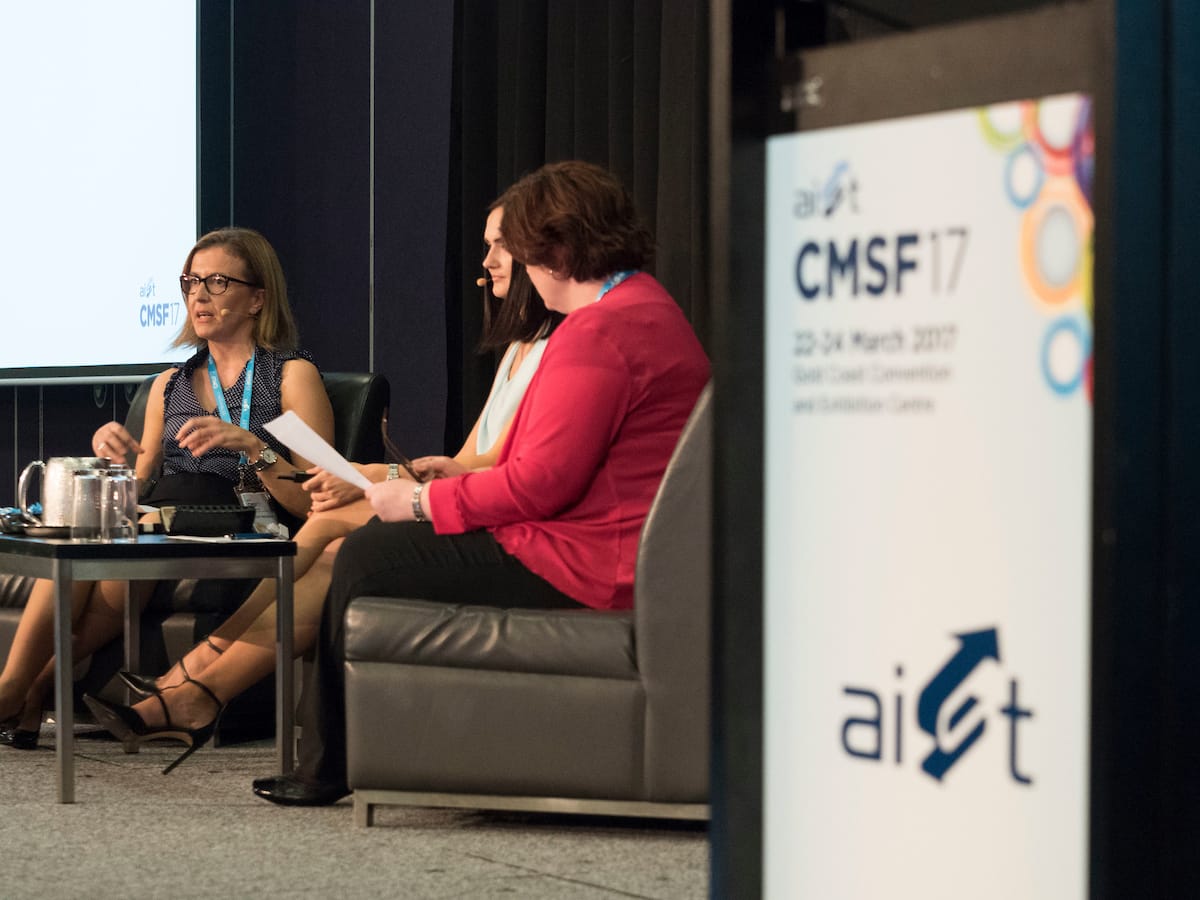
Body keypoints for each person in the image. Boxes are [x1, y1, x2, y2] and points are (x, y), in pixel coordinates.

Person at [251, 160, 711, 806]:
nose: (513, 266)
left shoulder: (597, 333)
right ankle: (340, 757)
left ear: (556, 249)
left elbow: (541, 487)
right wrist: (456, 476)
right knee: (370, 546)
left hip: (586, 557)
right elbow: (563, 460)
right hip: (616, 544)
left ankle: (326, 768)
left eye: (518, 248)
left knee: (365, 555)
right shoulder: (645, 307)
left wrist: (418, 500)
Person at [82, 208, 560, 769]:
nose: (487, 261)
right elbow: (467, 457)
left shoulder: (288, 371)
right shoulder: (518, 348)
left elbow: (501, 464)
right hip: (459, 493)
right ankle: (178, 688)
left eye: (500, 245)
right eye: (191, 282)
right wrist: (385, 474)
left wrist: (375, 474)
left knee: (330, 532)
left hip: (496, 514)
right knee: (327, 533)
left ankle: (191, 684)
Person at [0, 227, 334, 757]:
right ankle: (20, 689)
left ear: (257, 298)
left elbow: (316, 500)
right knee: (91, 542)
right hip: (162, 521)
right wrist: (112, 463)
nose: (199, 295)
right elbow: (139, 483)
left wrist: (255, 447)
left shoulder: (291, 376)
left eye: (217, 282)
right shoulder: (168, 384)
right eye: (191, 282)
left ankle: (21, 692)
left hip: (240, 525)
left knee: (116, 558)